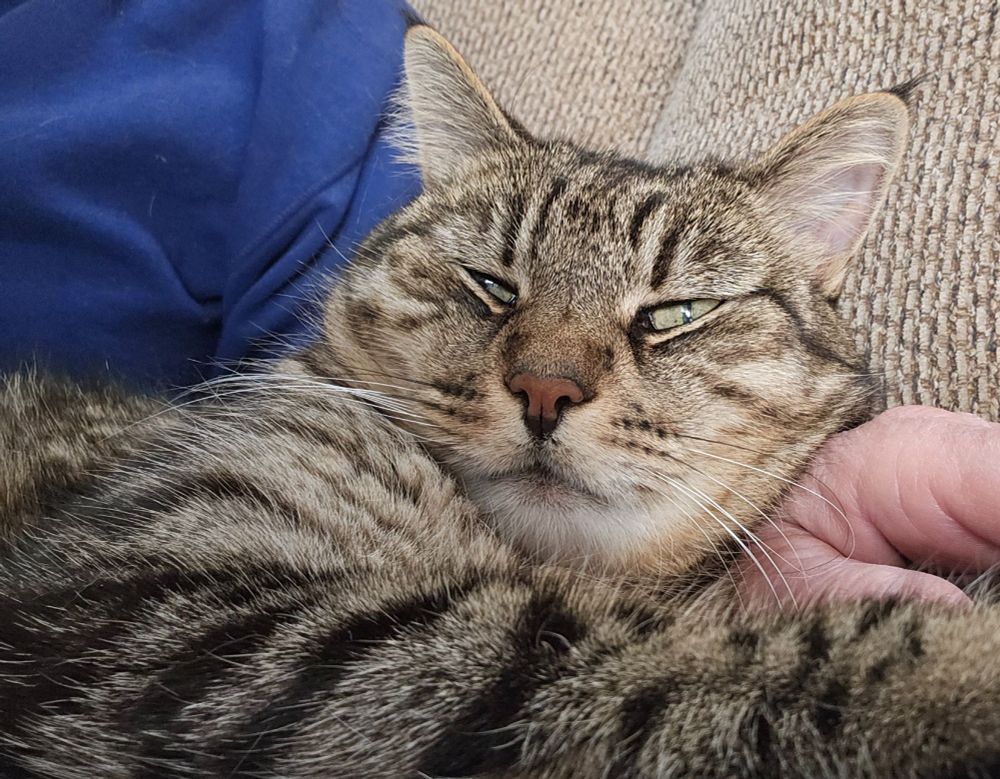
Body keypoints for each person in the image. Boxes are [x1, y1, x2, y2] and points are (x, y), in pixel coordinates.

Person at [1, 1, 995, 608]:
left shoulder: (262, 34)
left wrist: (801, 484)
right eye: (492, 288)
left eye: (671, 313)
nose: (545, 380)